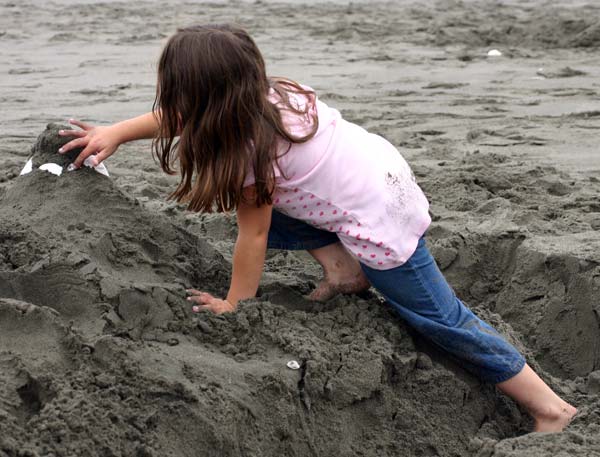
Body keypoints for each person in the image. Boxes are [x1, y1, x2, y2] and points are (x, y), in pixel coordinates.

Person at [58, 24, 577, 432]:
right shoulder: (270, 95)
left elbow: (253, 237)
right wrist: (119, 133)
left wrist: (235, 304)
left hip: (376, 221)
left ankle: (551, 409)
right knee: (280, 200)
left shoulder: (248, 156)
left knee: (442, 319)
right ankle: (343, 270)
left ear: (200, 95)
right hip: (379, 175)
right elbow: (190, 113)